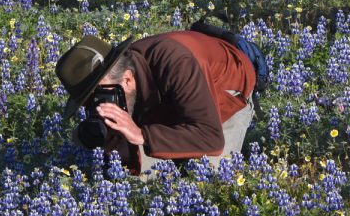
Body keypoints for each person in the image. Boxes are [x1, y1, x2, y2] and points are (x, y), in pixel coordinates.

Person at [56, 30, 257, 177]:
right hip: (169, 104)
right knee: (122, 167)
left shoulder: (177, 63)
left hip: (224, 98)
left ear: (127, 79)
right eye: (89, 103)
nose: (98, 107)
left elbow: (211, 138)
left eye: (101, 96)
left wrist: (141, 135)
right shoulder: (124, 82)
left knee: (203, 175)